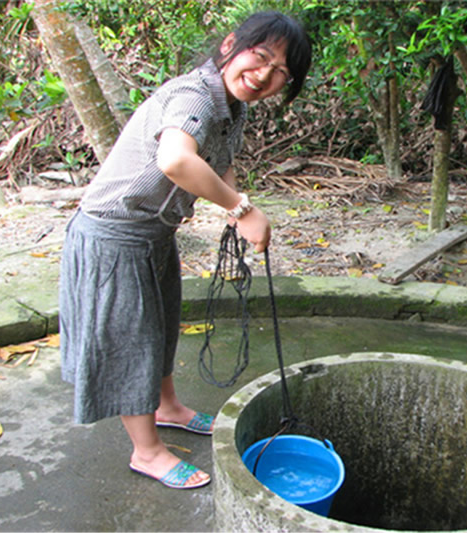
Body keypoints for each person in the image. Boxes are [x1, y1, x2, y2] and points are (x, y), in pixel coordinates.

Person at [59, 11, 312, 489]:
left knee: (160, 327)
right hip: (112, 235)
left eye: (282, 73)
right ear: (230, 45)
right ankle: (147, 451)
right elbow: (175, 159)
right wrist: (242, 209)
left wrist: (238, 211)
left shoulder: (231, 107)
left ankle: (169, 407)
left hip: (153, 235)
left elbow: (223, 162)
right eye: (260, 58)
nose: (265, 76)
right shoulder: (194, 93)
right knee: (131, 344)